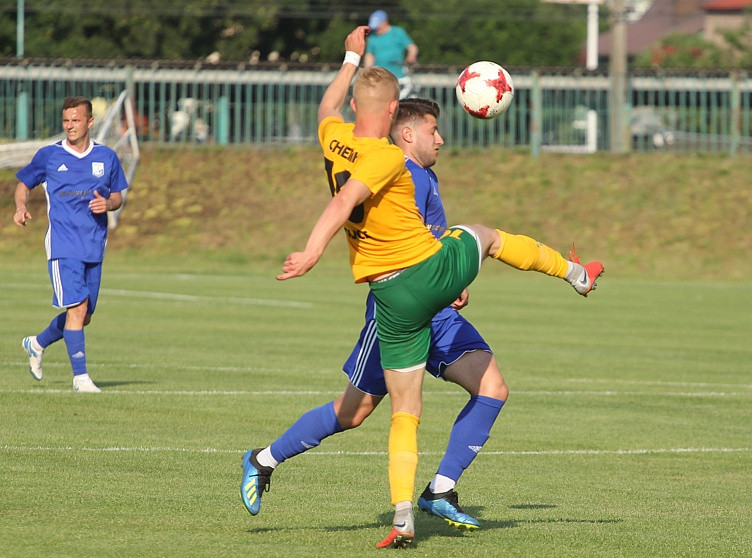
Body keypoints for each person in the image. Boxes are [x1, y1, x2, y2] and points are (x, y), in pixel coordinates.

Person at [276, 26, 603, 549]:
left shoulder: (334, 141)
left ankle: (410, 510)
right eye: (430, 128)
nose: (440, 139)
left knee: (429, 405)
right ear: (394, 120)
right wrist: (313, 250)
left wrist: (348, 57)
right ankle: (575, 273)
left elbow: (325, 111)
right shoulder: (387, 159)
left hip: (397, 293)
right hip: (419, 280)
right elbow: (343, 204)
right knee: (488, 237)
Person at [240, 98, 506, 534]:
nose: (441, 138)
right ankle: (263, 459)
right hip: (395, 312)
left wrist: (449, 279)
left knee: (492, 388)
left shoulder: (425, 175)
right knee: (354, 412)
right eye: (433, 129)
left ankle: (439, 490)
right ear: (407, 133)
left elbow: (429, 236)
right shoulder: (393, 170)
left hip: (435, 308)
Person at [13, 96, 128, 393]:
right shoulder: (50, 156)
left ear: (90, 122)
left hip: (94, 245)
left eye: (76, 120)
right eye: (66, 121)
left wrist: (109, 203)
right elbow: (24, 183)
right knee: (77, 309)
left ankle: (37, 343)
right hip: (64, 245)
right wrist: (21, 207)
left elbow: (118, 196)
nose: (70, 126)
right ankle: (81, 378)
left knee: (84, 315)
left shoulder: (107, 157)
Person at [364, 10, 418, 99]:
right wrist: (367, 73)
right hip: (380, 78)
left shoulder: (398, 32)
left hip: (399, 76)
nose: (376, 29)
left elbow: (412, 48)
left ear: (385, 22)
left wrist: (411, 57)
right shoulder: (372, 37)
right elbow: (369, 56)